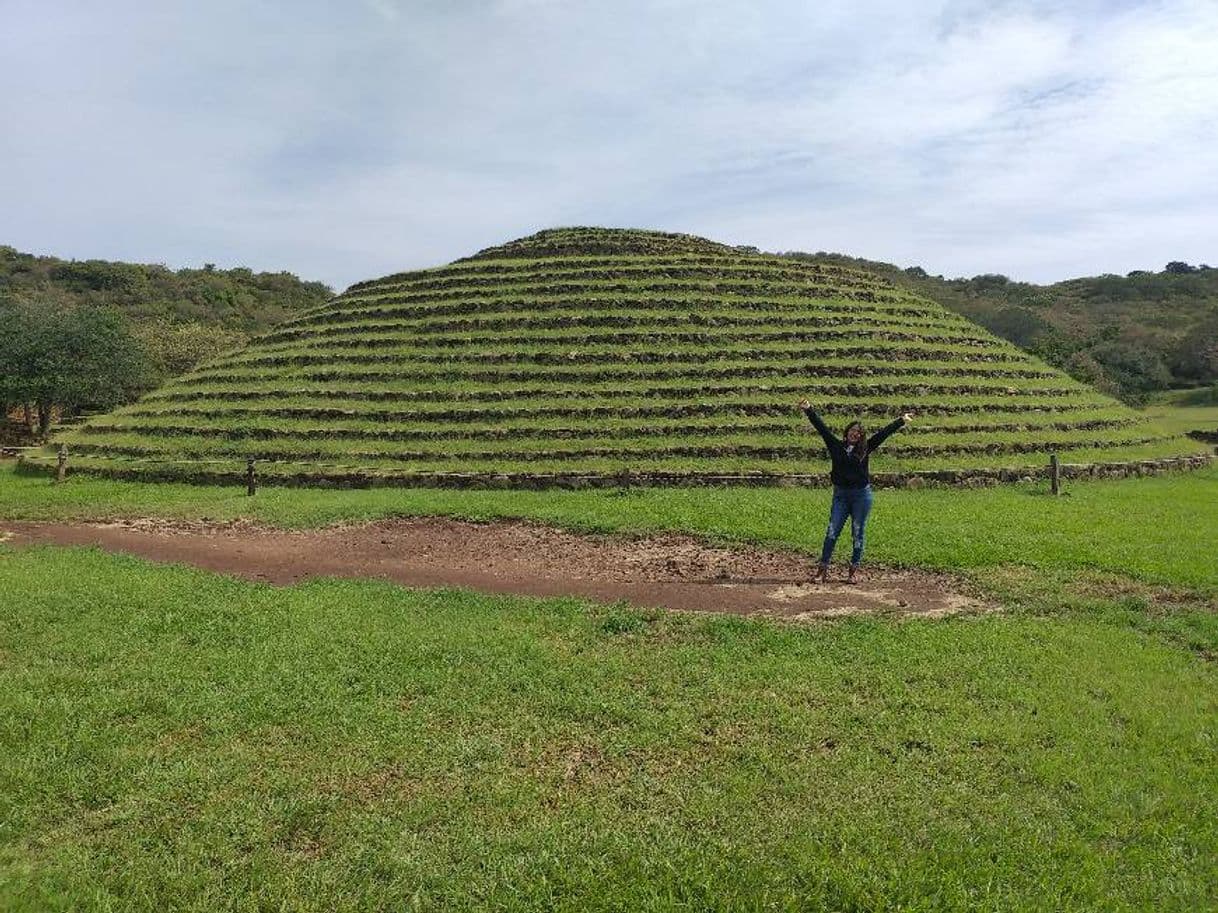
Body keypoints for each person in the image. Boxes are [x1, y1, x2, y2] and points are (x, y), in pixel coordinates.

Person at [798, 398, 912, 583]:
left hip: (861, 496)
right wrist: (809, 410)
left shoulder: (865, 449)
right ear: (846, 433)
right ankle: (822, 569)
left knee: (858, 532)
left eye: (858, 433)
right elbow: (822, 428)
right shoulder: (836, 446)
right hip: (841, 495)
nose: (855, 435)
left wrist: (901, 420)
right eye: (852, 431)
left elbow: (883, 434)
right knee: (832, 531)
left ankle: (853, 570)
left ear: (861, 437)